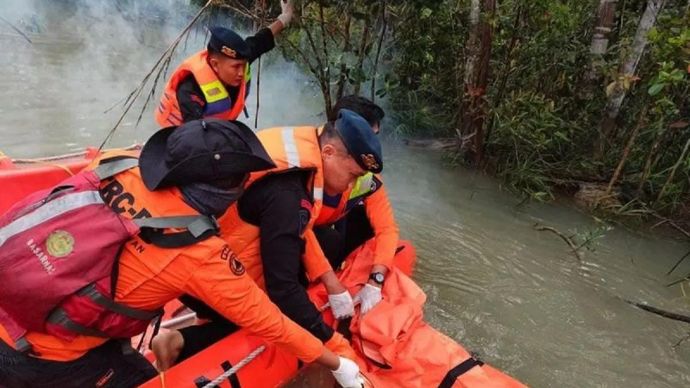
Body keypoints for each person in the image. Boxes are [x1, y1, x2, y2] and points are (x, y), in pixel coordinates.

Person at [0, 119, 363, 388]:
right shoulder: (197, 252)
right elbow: (270, 320)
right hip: (44, 358)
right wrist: (338, 361)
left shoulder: (119, 162)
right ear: (224, 196)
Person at [151, 109, 383, 372]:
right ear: (328, 153)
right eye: (352, 176)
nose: (351, 186)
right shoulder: (288, 194)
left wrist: (330, 281)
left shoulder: (298, 156)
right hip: (202, 272)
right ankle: (178, 342)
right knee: (269, 315)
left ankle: (198, 326)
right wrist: (336, 347)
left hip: (193, 250)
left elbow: (300, 229)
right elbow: (282, 290)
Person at [315, 95, 399, 315]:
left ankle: (341, 274)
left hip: (321, 225)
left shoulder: (365, 178)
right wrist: (330, 281)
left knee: (362, 222)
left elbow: (387, 229)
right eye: (369, 136)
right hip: (291, 234)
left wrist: (376, 279)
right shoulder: (307, 163)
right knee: (329, 240)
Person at [155, 0, 294, 127]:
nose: (241, 73)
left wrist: (285, 17)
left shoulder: (239, 58)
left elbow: (261, 40)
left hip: (218, 127)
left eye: (243, 65)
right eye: (235, 67)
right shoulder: (190, 91)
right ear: (215, 65)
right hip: (178, 135)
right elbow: (195, 136)